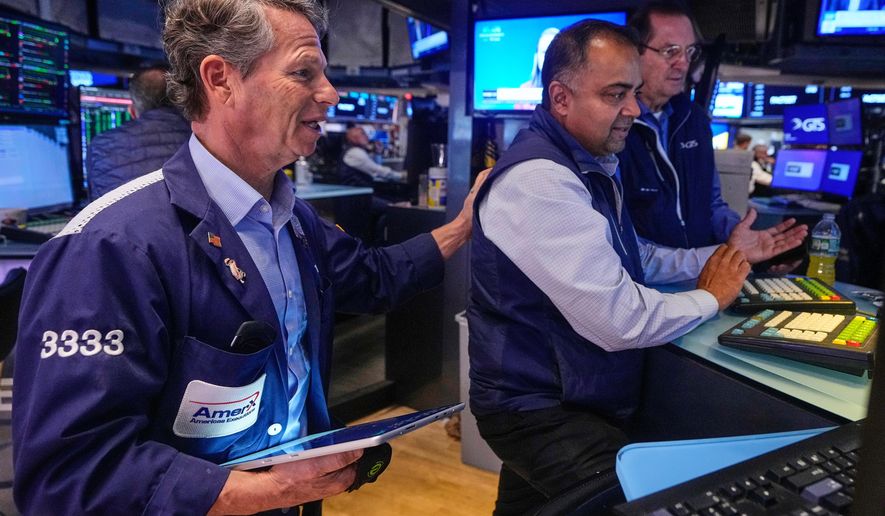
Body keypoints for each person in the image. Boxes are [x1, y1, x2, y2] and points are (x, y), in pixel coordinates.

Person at [12, 0, 488, 513]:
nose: (329, 94)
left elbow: (374, 277)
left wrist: (462, 228)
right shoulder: (109, 249)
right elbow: (71, 476)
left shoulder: (294, 222)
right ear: (220, 80)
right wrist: (275, 490)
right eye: (304, 73)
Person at [467, 19, 807, 515]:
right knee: (649, 501)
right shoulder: (541, 182)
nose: (632, 109)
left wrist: (724, 258)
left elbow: (638, 256)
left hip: (565, 397)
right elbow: (618, 318)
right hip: (540, 411)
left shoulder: (588, 163)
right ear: (561, 99)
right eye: (615, 94)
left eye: (633, 92)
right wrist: (712, 296)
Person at [618, 2, 800, 251]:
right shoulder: (615, 123)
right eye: (670, 51)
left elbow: (712, 205)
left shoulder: (695, 120)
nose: (683, 64)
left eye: (689, 51)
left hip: (701, 277)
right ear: (635, 52)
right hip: (642, 282)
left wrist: (741, 238)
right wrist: (699, 261)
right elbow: (618, 235)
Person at [86, 65, 192, 199]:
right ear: (181, 101)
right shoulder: (200, 138)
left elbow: (92, 210)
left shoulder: (99, 147)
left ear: (132, 111)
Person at [338, 123, 405, 186]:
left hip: (361, 190)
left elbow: (376, 166)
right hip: (355, 193)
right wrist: (401, 176)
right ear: (354, 138)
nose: (367, 136)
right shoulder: (355, 153)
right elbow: (377, 171)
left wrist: (378, 153)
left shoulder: (357, 151)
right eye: (363, 134)